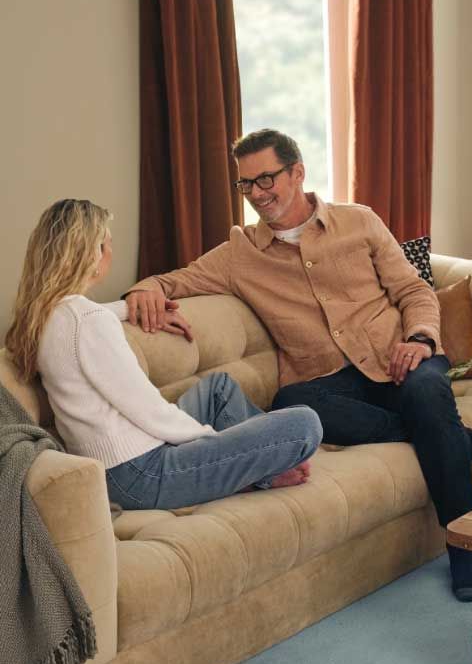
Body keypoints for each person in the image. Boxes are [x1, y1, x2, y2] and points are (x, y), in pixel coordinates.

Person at [124, 128, 472, 601]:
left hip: (400, 359)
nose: (258, 194)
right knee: (291, 401)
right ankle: (459, 437)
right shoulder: (239, 255)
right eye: (247, 185)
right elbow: (172, 281)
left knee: (427, 393)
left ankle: (464, 548)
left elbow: (413, 291)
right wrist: (143, 291)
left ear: (298, 172)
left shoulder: (360, 222)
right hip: (328, 385)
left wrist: (420, 339)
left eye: (267, 179)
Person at [4, 199, 323, 511]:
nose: (111, 253)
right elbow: (146, 408)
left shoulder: (45, 316)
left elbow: (85, 325)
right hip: (140, 474)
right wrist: (209, 442)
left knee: (219, 390)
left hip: (118, 466)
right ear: (91, 255)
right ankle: (264, 471)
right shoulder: (88, 322)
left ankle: (261, 468)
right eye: (107, 244)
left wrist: (126, 308)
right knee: (305, 423)